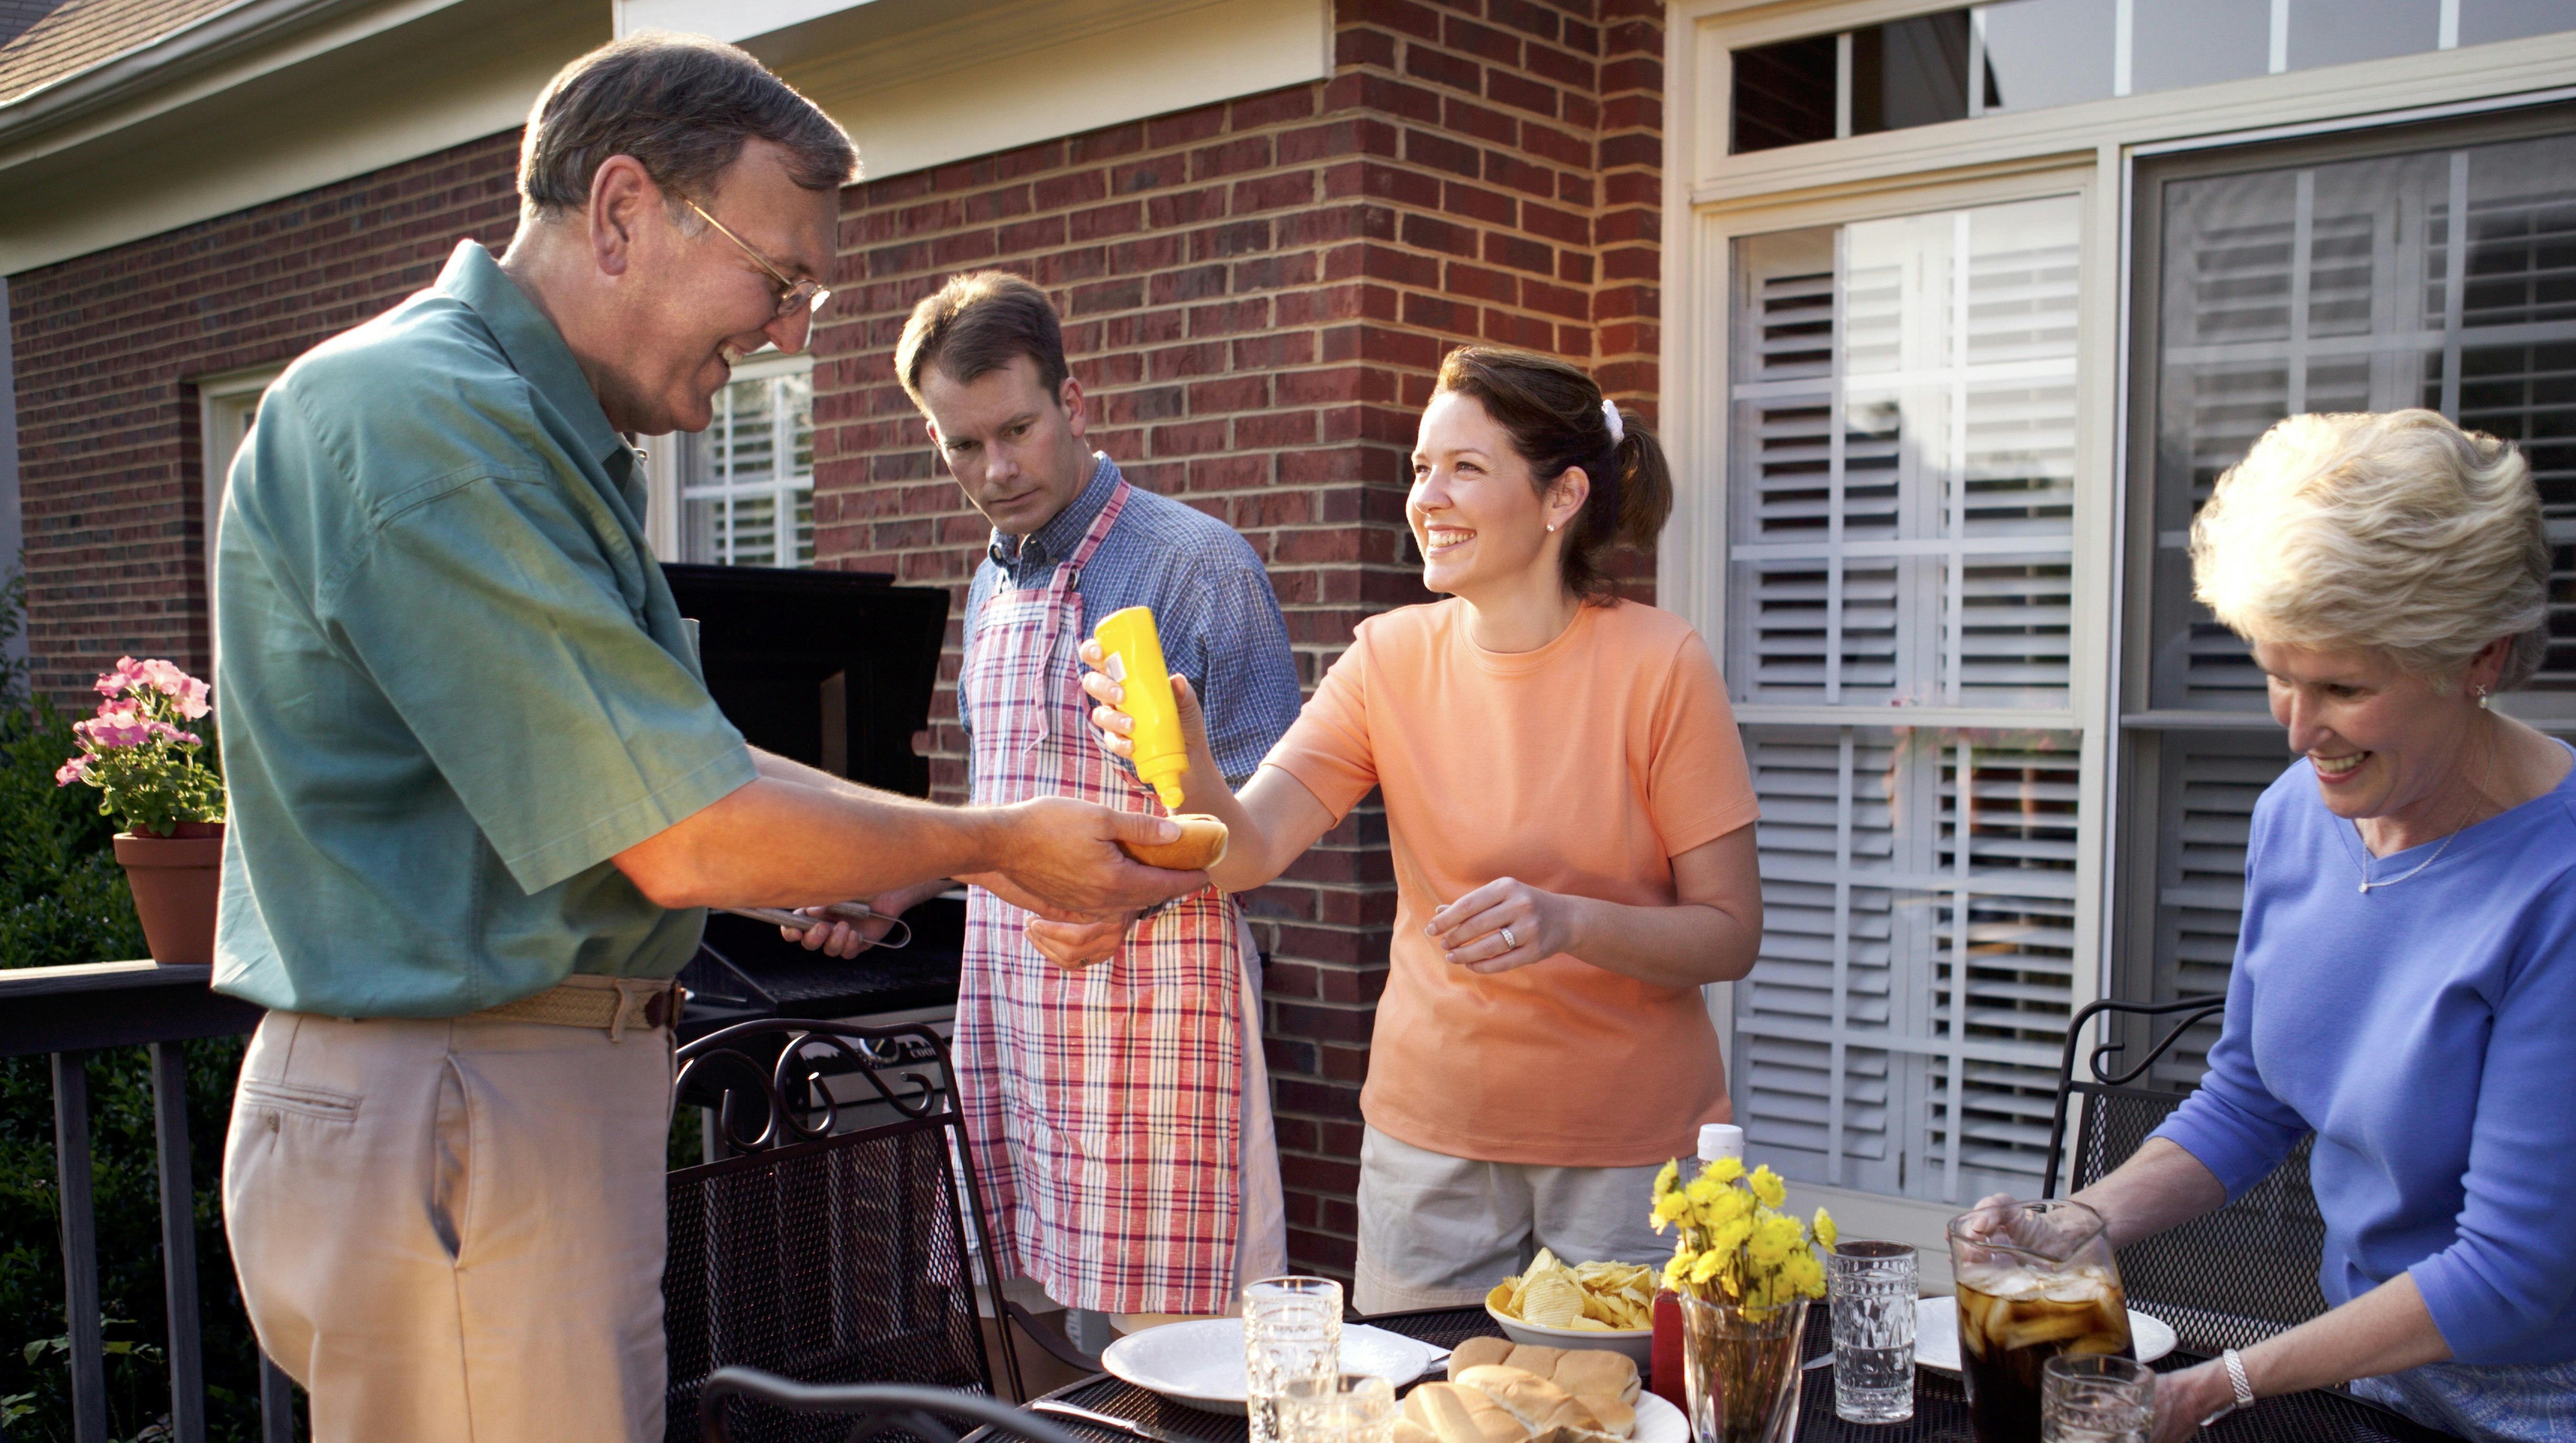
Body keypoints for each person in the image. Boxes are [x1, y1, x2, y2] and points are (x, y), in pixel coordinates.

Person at [209, 37, 1200, 1443]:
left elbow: (696, 764)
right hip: (464, 1101)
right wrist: (995, 846)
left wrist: (900, 852)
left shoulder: (525, 433)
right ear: (621, 212)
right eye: (782, 277)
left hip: (496, 1100)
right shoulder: (432, 420)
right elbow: (682, 827)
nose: (794, 330)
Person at [1997, 410, 2576, 1441]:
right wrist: (2073, 1225)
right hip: (2380, 1356)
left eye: (2341, 687)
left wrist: (2218, 1386)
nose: (2297, 730)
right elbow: (2249, 1101)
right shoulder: (2296, 816)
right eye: (2274, 674)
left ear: (2478, 657)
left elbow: (2509, 1271)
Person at [1070, 346, 1765, 1313]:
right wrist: (1182, 757)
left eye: (1465, 468)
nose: (1427, 497)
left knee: (1617, 1417)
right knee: (1421, 1412)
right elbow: (1251, 849)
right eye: (1420, 469)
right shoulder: (1386, 659)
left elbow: (1730, 931)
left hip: (1631, 1160)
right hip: (1428, 1147)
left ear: (1563, 497)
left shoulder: (1663, 664)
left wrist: (1569, 921)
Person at [786, 270, 1300, 1328]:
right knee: (1037, 1317)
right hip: (1017, 1002)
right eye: (962, 445)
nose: (996, 469)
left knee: (1177, 1343)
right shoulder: (990, 581)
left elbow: (1265, 806)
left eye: (1017, 429)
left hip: (1162, 1015)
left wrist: (1123, 897)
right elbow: (1001, 801)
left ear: (1076, 403)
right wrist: (901, 888)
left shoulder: (1198, 564)